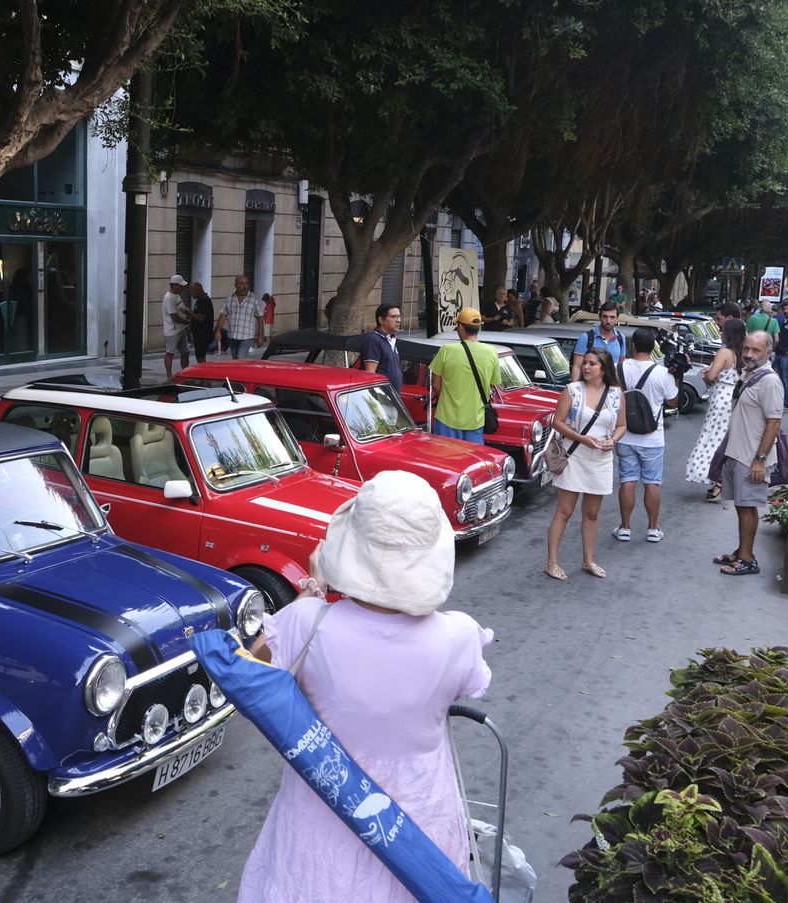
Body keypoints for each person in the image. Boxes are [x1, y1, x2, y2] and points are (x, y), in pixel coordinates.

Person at [239, 470, 494, 902]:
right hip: (418, 819)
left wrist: (314, 588)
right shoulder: (460, 635)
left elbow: (252, 666)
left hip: (322, 806)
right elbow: (469, 686)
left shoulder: (308, 622)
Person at [544, 348, 625, 580]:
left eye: (593, 364)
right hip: (575, 455)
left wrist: (613, 440)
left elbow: (622, 425)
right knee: (565, 511)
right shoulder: (572, 390)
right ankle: (552, 562)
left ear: (604, 368)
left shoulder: (616, 394)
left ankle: (588, 560)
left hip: (601, 458)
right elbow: (557, 423)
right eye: (585, 363)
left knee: (592, 513)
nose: (586, 367)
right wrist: (583, 439)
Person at [713, 330, 784, 576]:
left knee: (747, 506)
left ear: (768, 352)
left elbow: (774, 422)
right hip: (738, 453)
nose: (749, 354)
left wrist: (760, 460)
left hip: (752, 458)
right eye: (747, 349)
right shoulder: (748, 373)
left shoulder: (770, 381)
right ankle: (742, 551)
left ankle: (747, 559)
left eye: (756, 350)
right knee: (742, 506)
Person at [613, 329, 677, 544]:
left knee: (627, 481)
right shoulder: (662, 373)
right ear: (653, 348)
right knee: (652, 483)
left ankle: (625, 528)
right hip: (653, 438)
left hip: (624, 434)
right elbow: (673, 401)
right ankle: (652, 528)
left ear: (633, 346)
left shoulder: (618, 368)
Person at [685, 319, 745, 502]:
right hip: (735, 398)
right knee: (726, 439)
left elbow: (712, 376)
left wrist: (707, 374)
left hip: (721, 398)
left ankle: (717, 479)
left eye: (723, 330)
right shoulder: (742, 353)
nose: (720, 333)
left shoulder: (724, 352)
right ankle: (723, 480)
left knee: (713, 438)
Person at [429, 308, 502, 443]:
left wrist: (447, 400)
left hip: (446, 418)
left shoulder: (446, 350)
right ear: (479, 328)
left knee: (444, 461)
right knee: (470, 461)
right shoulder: (492, 352)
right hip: (475, 420)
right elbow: (492, 384)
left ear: (461, 327)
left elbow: (435, 384)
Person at [361, 303, 405, 396]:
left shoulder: (392, 340)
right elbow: (370, 374)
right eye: (393, 317)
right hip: (382, 399)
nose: (398, 320)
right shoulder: (373, 340)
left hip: (394, 398)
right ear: (381, 320)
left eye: (399, 317)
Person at [217, 275, 266, 359]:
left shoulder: (253, 299)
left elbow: (260, 318)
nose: (244, 286)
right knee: (235, 360)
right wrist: (218, 330)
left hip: (247, 336)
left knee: (240, 359)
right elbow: (223, 315)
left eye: (246, 283)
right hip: (233, 336)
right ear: (236, 285)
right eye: (241, 284)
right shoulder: (229, 299)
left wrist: (260, 336)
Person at [160, 275, 191, 380]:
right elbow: (174, 316)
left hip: (181, 329)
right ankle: (169, 376)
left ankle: (185, 374)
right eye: (180, 286)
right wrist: (186, 322)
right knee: (170, 353)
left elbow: (181, 308)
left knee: (185, 352)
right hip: (172, 330)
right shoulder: (168, 298)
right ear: (174, 285)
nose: (182, 288)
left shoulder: (177, 295)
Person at [187, 280, 215, 364]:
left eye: (191, 292)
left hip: (202, 334)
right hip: (198, 334)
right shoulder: (200, 300)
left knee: (200, 355)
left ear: (198, 290)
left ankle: (204, 371)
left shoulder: (204, 300)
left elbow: (200, 318)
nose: (191, 295)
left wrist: (189, 313)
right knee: (199, 355)